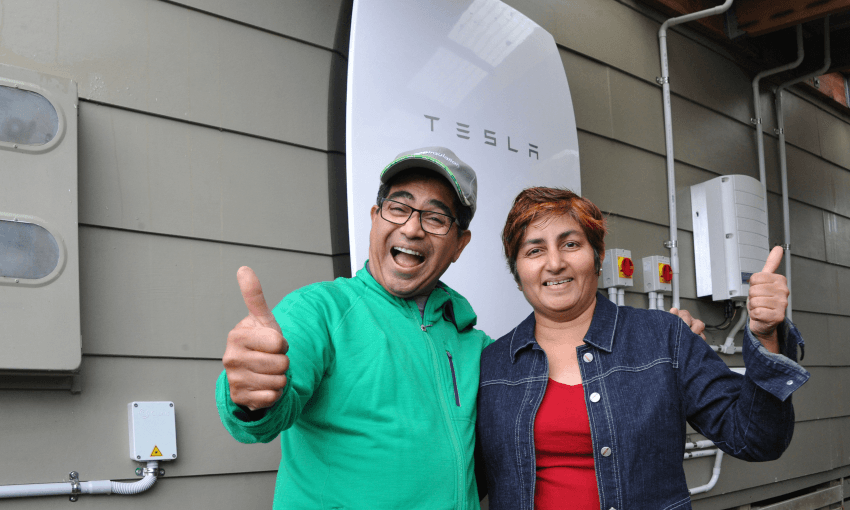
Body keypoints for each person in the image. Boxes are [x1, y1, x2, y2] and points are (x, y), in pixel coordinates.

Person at [216, 148, 706, 509]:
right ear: (375, 218)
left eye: (436, 218)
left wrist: (658, 341)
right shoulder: (320, 310)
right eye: (398, 207)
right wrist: (252, 393)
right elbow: (266, 402)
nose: (412, 228)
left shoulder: (483, 351)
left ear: (459, 244)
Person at [476, 187, 810, 510]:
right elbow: (463, 477)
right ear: (517, 273)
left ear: (598, 257)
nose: (554, 263)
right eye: (534, 251)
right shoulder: (490, 365)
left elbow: (755, 439)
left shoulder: (664, 338)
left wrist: (766, 336)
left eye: (571, 244)